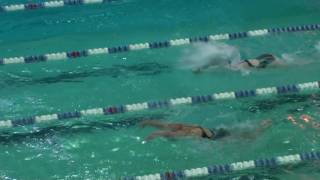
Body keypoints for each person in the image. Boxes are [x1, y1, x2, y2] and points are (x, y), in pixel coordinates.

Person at [140, 119, 272, 141]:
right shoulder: (182, 126)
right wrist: (147, 122)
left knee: (250, 137)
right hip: (216, 131)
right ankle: (262, 125)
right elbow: (164, 126)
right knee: (243, 132)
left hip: (217, 138)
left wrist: (154, 133)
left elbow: (166, 131)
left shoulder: (184, 131)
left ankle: (264, 126)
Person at [193, 53, 283, 73]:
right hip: (255, 61)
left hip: (256, 62)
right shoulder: (231, 66)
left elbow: (214, 67)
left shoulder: (231, 68)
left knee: (288, 65)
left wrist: (200, 70)